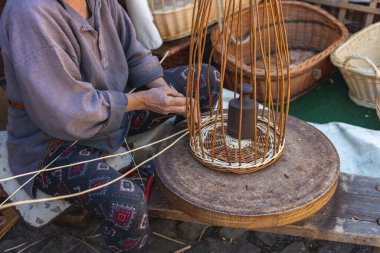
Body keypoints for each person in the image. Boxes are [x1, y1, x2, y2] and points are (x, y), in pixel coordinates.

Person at [0, 0, 220, 252]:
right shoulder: (30, 12)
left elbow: (134, 52)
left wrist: (162, 91)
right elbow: (66, 112)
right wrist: (142, 100)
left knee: (205, 80)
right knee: (128, 205)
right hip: (51, 143)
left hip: (112, 114)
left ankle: (169, 170)